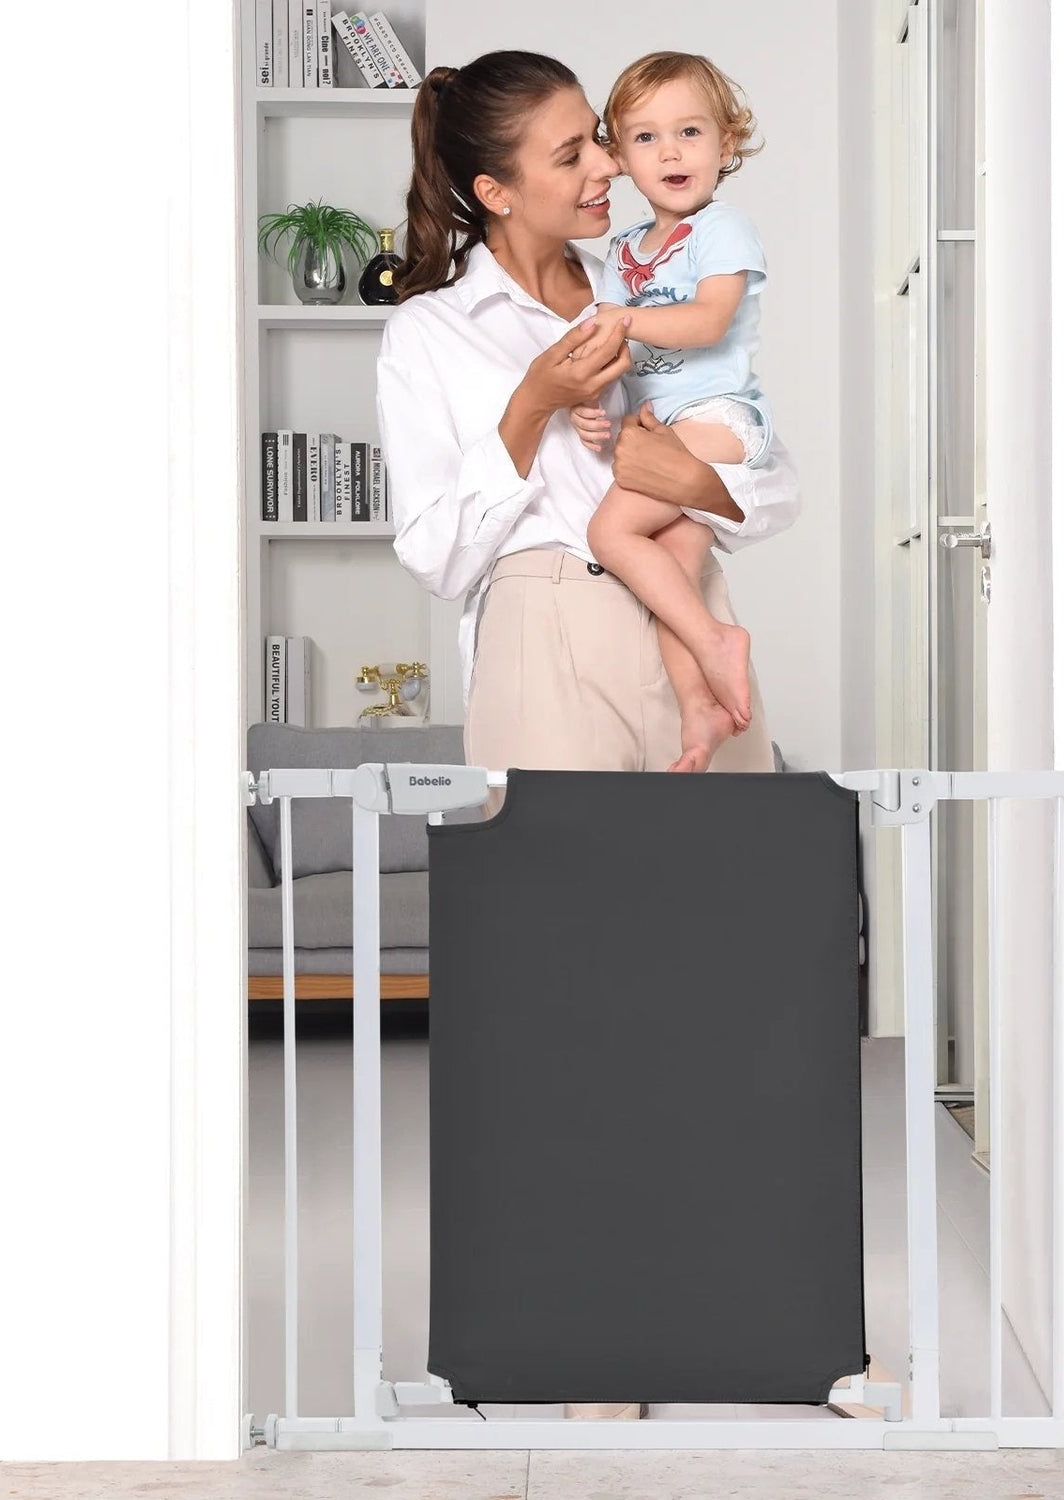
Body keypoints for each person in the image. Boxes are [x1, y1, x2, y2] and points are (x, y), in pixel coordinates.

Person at [374, 52, 801, 1419]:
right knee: (565, 999)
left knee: (740, 983)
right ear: (496, 190)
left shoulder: (664, 277)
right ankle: (587, 1335)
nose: (607, 169)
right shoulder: (435, 335)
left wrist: (696, 476)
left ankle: (762, 1325)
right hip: (548, 625)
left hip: (691, 620)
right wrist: (531, 407)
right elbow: (438, 551)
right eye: (571, 156)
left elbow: (769, 482)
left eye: (602, 147)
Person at [570, 52, 772, 771]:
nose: (672, 151)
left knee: (611, 532)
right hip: (661, 431)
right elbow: (618, 362)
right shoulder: (622, 251)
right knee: (670, 574)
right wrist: (594, 410)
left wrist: (619, 321)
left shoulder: (722, 228)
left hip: (717, 417)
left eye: (690, 131)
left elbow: (709, 321)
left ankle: (721, 646)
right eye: (647, 138)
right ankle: (702, 712)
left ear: (726, 142)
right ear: (619, 155)